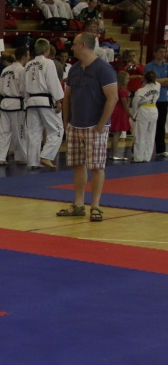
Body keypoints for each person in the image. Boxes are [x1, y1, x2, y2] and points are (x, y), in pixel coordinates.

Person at [57, 32, 118, 223]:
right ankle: (79, 203)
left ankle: (96, 205)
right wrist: (66, 122)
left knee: (97, 166)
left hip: (95, 126)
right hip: (76, 125)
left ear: (83, 45)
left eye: (74, 44)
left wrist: (101, 124)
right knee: (77, 164)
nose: (72, 47)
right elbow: (67, 97)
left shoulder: (103, 69)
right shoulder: (75, 69)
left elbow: (113, 97)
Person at [24, 38, 64, 169]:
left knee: (33, 132)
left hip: (31, 101)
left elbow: (24, 85)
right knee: (57, 129)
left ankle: (32, 161)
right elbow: (53, 82)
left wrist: (26, 100)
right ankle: (46, 156)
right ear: (47, 49)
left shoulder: (28, 64)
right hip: (45, 101)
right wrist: (58, 100)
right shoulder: (48, 63)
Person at [0, 46, 28, 165]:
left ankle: (0, 157)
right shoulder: (22, 70)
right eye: (28, 55)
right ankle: (21, 157)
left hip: (5, 103)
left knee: (3, 132)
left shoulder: (5, 69)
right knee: (19, 132)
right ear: (24, 57)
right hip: (17, 103)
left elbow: (0, 88)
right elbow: (23, 88)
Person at [143, 44, 168, 158]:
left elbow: (157, 81)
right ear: (155, 53)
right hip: (150, 99)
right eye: (161, 52)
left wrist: (158, 81)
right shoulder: (149, 66)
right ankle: (141, 149)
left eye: (165, 52)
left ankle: (160, 149)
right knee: (147, 125)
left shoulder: (167, 66)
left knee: (161, 125)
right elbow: (151, 81)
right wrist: (164, 80)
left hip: (163, 98)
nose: (163, 54)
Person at [130, 71, 159, 163]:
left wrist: (134, 114)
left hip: (144, 110)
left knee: (140, 135)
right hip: (154, 109)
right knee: (151, 134)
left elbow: (135, 103)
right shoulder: (157, 85)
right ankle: (147, 157)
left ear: (145, 79)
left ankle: (138, 158)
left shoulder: (140, 91)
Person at [108, 71, 131, 161]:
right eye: (127, 79)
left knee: (116, 133)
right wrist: (131, 115)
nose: (128, 80)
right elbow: (125, 105)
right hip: (120, 112)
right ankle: (115, 153)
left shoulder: (117, 88)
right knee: (117, 133)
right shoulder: (123, 90)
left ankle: (112, 152)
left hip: (116, 111)